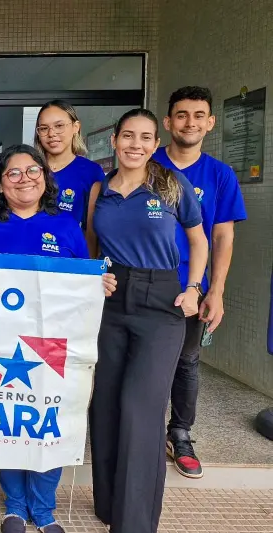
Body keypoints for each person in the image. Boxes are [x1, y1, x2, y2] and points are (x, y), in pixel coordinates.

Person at [0, 144, 116, 533]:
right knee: (6, 418)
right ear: (0, 184)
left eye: (32, 171)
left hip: (53, 345)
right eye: (13, 173)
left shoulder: (66, 225)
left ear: (44, 178)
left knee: (48, 420)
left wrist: (99, 283)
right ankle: (14, 506)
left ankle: (44, 511)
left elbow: (82, 278)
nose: (24, 179)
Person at [85, 109, 208, 533]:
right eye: (128, 136)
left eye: (145, 137)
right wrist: (94, 276)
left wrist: (194, 288)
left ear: (155, 144)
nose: (135, 144)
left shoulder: (171, 185)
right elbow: (91, 244)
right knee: (105, 405)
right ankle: (109, 506)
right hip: (111, 301)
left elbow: (199, 240)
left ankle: (134, 523)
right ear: (114, 140)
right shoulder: (100, 189)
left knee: (141, 408)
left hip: (161, 302)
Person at [153, 86, 247, 479]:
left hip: (190, 285)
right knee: (140, 361)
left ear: (210, 123)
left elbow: (223, 236)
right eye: (181, 114)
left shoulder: (220, 174)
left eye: (197, 115)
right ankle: (141, 433)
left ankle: (180, 433)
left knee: (187, 361)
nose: (189, 123)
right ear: (168, 122)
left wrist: (216, 291)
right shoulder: (147, 164)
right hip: (142, 282)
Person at [34, 100, 104, 226]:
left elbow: (92, 228)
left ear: (75, 127)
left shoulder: (91, 172)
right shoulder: (29, 169)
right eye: (44, 128)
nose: (51, 134)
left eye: (59, 126)